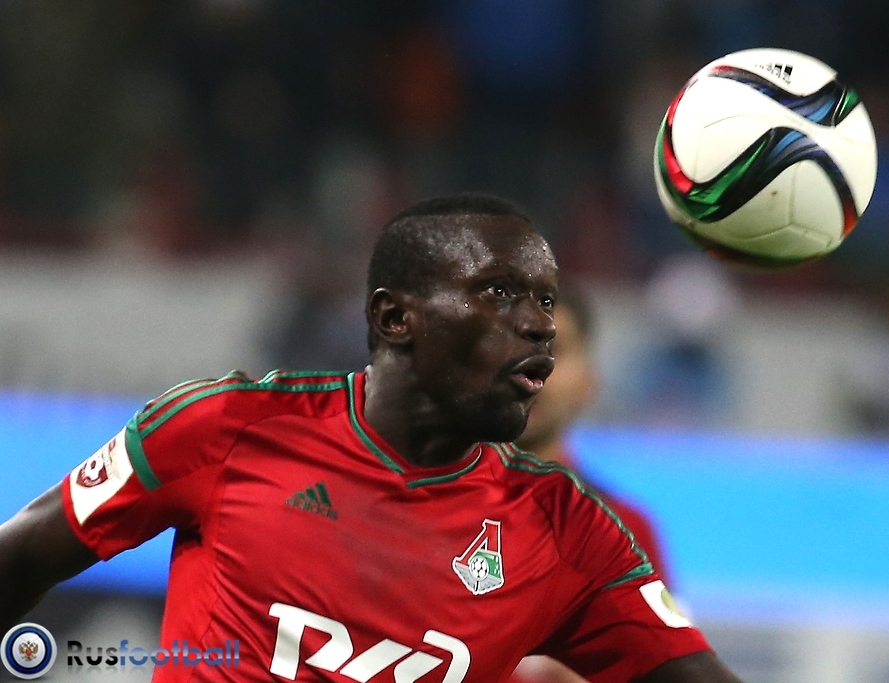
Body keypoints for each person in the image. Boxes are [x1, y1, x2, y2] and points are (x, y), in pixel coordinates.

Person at [0, 194, 742, 683]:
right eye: (499, 294)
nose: (538, 326)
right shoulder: (227, 428)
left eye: (545, 303)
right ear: (395, 318)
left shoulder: (570, 531)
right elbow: (24, 554)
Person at [511, 286, 677, 683]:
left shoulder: (627, 531)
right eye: (511, 347)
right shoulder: (418, 509)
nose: (530, 370)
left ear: (589, 381)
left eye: (554, 350)